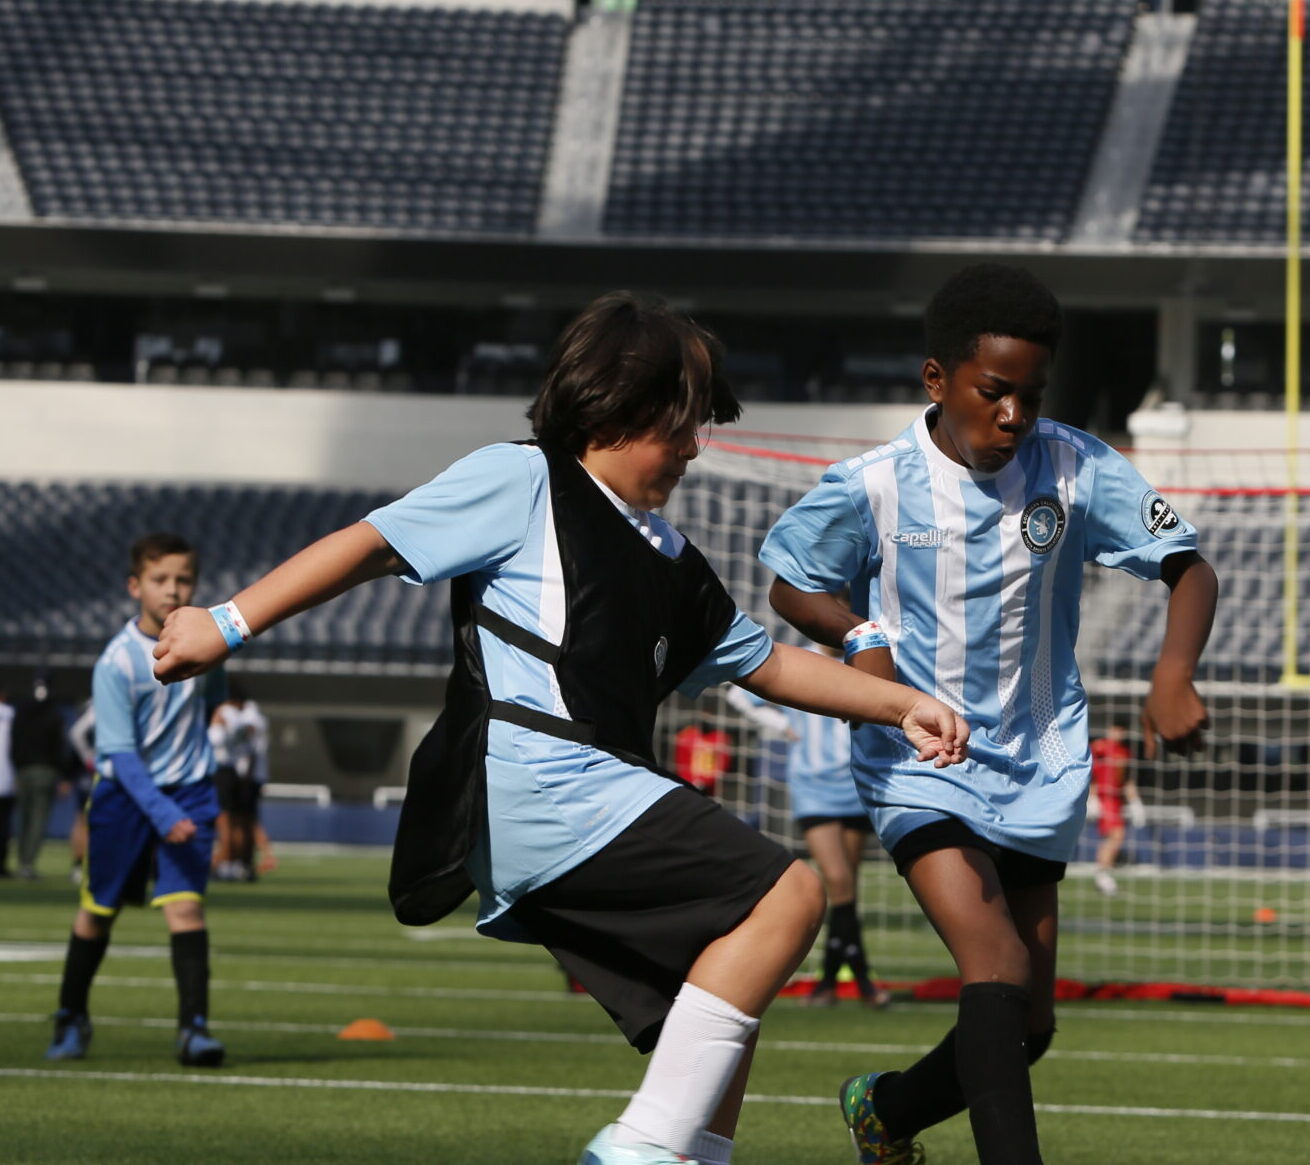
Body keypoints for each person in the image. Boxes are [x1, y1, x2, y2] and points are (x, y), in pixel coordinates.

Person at [152, 290, 969, 1165]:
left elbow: (765, 664)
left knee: (725, 986)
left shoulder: (671, 561)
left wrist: (903, 701)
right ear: (618, 409)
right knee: (792, 892)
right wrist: (227, 621)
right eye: (682, 425)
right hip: (536, 779)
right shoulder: (526, 478)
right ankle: (640, 1151)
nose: (696, 447)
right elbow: (371, 542)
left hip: (573, 802)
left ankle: (687, 1155)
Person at [759, 264, 1216, 1165]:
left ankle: (885, 1111)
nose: (1014, 416)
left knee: (1028, 1023)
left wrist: (1174, 674)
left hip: (1042, 763)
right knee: (996, 969)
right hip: (920, 765)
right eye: (993, 392)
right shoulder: (873, 484)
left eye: (1031, 396)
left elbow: (1189, 566)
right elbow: (791, 583)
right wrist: (860, 635)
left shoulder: (1076, 465)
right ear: (938, 380)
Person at [46, 532, 228, 1068]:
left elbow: (214, 699)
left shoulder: (204, 648)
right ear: (135, 587)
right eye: (160, 580)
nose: (173, 590)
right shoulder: (116, 663)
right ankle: (70, 1016)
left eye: (184, 580)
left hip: (190, 793)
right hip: (125, 800)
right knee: (97, 913)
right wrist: (163, 813)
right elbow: (120, 756)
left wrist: (181, 802)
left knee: (187, 908)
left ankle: (194, 1030)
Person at [726, 647, 890, 1009]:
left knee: (848, 889)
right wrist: (780, 726)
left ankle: (829, 983)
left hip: (854, 782)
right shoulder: (796, 658)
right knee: (838, 881)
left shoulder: (859, 661)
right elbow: (738, 693)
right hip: (813, 786)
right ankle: (861, 981)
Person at [208, 684, 270, 882]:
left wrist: (218, 722)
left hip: (225, 771)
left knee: (227, 821)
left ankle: (227, 863)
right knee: (241, 822)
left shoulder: (228, 713)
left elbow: (217, 739)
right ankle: (239, 864)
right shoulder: (245, 716)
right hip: (236, 772)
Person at [12, 675, 70, 879]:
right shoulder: (54, 714)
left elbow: (14, 744)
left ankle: (21, 861)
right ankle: (26, 864)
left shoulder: (21, 712)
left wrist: (17, 768)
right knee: (37, 819)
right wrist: (63, 775)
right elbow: (59, 748)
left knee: (24, 819)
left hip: (24, 771)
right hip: (45, 772)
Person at [1089, 722, 1142, 896]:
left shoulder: (1124, 753)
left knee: (1113, 837)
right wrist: (1092, 796)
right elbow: (1089, 772)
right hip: (1104, 798)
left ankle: (1103, 875)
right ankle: (1103, 876)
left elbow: (1126, 780)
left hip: (1116, 799)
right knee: (1116, 835)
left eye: (1121, 731)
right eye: (1115, 730)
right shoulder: (1099, 747)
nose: (1118, 734)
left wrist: (1135, 803)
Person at [66, 699, 97, 883]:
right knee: (84, 820)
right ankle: (80, 865)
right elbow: (77, 732)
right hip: (98, 772)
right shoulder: (99, 701)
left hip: (103, 770)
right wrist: (89, 758)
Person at [0, 686, 15, 877]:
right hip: (7, 778)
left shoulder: (11, 714)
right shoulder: (11, 714)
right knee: (3, 826)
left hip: (7, 777)